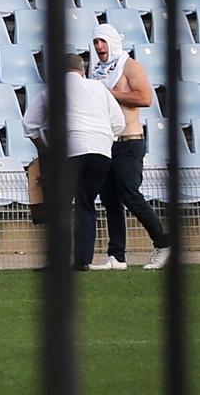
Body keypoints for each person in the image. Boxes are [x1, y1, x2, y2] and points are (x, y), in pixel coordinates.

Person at [23, 54, 125, 270]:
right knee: (86, 205)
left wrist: (44, 149)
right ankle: (83, 261)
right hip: (101, 152)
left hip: (71, 150)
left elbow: (29, 123)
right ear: (83, 70)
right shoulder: (99, 89)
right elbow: (119, 123)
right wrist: (105, 140)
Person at [88, 24, 171, 270]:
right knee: (109, 198)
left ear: (112, 41)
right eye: (96, 43)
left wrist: (110, 93)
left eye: (102, 42)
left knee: (129, 193)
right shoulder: (97, 71)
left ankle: (164, 243)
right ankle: (117, 256)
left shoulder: (130, 66)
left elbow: (145, 98)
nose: (99, 47)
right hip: (107, 142)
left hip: (129, 142)